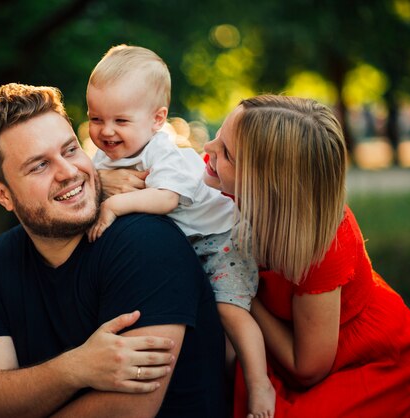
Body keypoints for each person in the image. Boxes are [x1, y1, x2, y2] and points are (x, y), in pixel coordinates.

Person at [0, 82, 228, 417]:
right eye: (39, 166)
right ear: (2, 195)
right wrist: (74, 367)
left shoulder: (145, 242)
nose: (69, 172)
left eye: (70, 150)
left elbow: (128, 410)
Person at [202, 94, 410, 417]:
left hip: (361, 364)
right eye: (217, 137)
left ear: (266, 187)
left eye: (225, 152)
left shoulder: (323, 246)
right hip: (285, 343)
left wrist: (237, 291)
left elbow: (307, 368)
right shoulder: (218, 171)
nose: (207, 150)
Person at [87, 44, 275, 418]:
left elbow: (166, 199)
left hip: (223, 239)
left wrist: (112, 203)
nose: (106, 131)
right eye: (95, 118)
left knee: (230, 311)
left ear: (157, 119)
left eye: (120, 121)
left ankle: (259, 384)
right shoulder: (106, 153)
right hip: (189, 243)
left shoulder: (163, 150)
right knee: (207, 323)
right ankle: (224, 371)